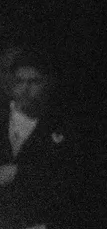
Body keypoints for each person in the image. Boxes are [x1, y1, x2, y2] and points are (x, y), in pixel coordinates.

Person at [0, 51, 78, 229]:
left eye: (34, 82)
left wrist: (20, 172)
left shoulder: (61, 126)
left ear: (48, 83)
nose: (25, 89)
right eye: (19, 81)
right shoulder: (2, 118)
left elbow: (69, 178)